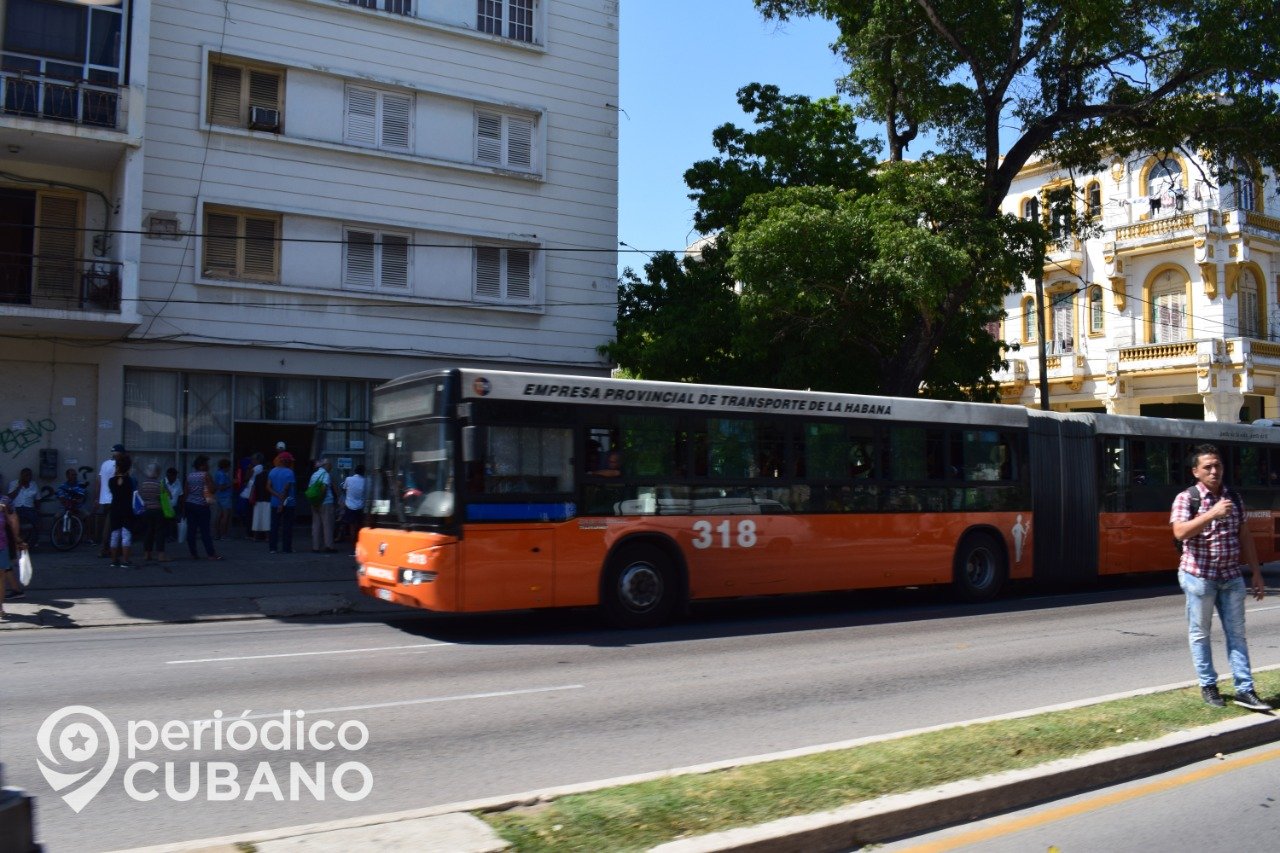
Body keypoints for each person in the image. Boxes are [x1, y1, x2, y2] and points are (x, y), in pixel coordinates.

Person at [1171, 443, 1271, 710]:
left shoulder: (1233, 498)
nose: (1215, 471)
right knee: (1200, 634)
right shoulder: (1186, 498)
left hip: (1231, 577)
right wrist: (1211, 513)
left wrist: (1257, 573)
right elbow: (1180, 532)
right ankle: (1209, 686)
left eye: (1218, 466)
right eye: (1208, 467)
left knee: (1237, 634)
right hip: (1199, 577)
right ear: (1196, 472)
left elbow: (1245, 536)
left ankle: (1245, 689)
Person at [184, 456, 222, 560]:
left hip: (190, 504)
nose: (208, 466)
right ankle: (211, 554)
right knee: (205, 531)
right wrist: (216, 486)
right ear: (202, 465)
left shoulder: (190, 475)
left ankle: (193, 553)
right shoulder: (206, 475)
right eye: (206, 464)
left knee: (191, 530)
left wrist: (185, 506)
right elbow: (212, 490)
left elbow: (186, 492)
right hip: (201, 506)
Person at [0, 495, 29, 621]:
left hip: (2, 546)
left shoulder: (3, 504)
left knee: (1, 578)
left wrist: (18, 541)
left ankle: (0, 607)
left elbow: (11, 523)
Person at [107, 453, 137, 568]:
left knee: (114, 534)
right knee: (126, 535)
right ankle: (126, 560)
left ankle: (114, 560)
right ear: (128, 467)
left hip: (115, 508)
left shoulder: (111, 481)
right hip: (127, 509)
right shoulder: (131, 481)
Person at [95, 444, 124, 556]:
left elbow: (99, 481)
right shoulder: (118, 466)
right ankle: (104, 548)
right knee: (111, 525)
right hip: (115, 499)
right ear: (120, 454)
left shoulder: (105, 464)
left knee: (109, 524)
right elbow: (120, 483)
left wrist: (97, 498)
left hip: (104, 499)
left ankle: (111, 547)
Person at [137, 463, 168, 563]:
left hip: (146, 510)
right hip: (158, 510)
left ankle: (147, 554)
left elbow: (140, 496)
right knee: (160, 532)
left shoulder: (143, 484)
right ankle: (160, 555)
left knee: (147, 532)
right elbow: (164, 497)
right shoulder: (159, 484)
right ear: (157, 473)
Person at [268, 451, 297, 554]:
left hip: (274, 502)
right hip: (288, 503)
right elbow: (286, 488)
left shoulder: (272, 471)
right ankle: (286, 548)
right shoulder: (290, 472)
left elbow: (268, 487)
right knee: (287, 526)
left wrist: (277, 495)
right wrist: (282, 502)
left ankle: (272, 548)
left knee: (274, 525)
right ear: (288, 461)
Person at [308, 458, 337, 553]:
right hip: (325, 503)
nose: (331, 468)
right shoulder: (325, 475)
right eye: (330, 466)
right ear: (326, 465)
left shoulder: (314, 474)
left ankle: (315, 547)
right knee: (327, 525)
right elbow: (324, 488)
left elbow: (310, 488)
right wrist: (320, 500)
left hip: (314, 502)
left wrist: (315, 502)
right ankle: (329, 546)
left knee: (316, 525)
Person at [7, 467, 40, 544]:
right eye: (26, 475)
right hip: (16, 508)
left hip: (29, 508)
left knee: (34, 521)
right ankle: (13, 541)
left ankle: (33, 541)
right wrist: (19, 486)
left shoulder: (34, 484)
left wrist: (38, 510)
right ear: (21, 476)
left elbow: (38, 499)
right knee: (12, 521)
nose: (28, 477)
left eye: (29, 475)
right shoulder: (13, 483)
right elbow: (10, 497)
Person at [338, 465, 367, 545]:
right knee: (359, 524)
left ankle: (352, 541)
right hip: (360, 506)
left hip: (349, 505)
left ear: (355, 471)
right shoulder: (365, 481)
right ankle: (358, 540)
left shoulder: (348, 479)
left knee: (351, 525)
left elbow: (343, 488)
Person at [212, 458, 234, 540]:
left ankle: (216, 534)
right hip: (225, 496)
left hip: (219, 496)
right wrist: (231, 484)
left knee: (219, 515)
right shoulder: (222, 474)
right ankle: (223, 534)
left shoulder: (218, 473)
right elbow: (221, 487)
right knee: (225, 516)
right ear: (226, 466)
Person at [163, 467, 184, 546]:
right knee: (166, 522)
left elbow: (181, 494)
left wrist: (181, 506)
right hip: (165, 507)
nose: (175, 478)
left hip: (174, 506)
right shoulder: (163, 482)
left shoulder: (178, 482)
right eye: (173, 476)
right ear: (169, 476)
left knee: (173, 522)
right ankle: (166, 536)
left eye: (175, 476)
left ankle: (172, 536)